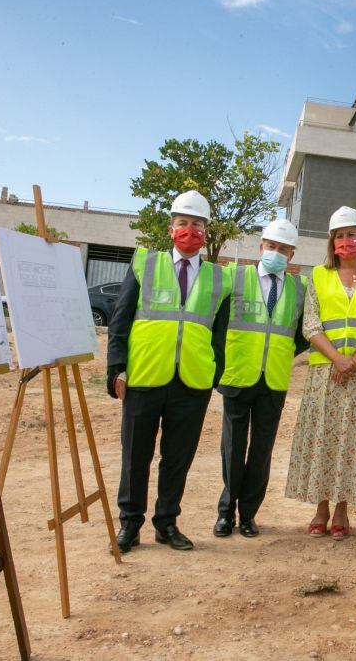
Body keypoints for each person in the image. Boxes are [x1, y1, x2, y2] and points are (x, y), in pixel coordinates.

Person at [106, 190, 231, 552]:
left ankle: (167, 523)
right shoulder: (145, 263)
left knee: (177, 458)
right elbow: (120, 320)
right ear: (171, 227)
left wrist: (212, 374)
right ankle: (130, 524)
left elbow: (219, 336)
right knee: (135, 457)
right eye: (183, 223)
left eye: (197, 224)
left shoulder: (218, 278)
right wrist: (117, 368)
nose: (190, 230)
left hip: (192, 383)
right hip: (144, 377)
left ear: (206, 231)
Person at [285, 206, 356, 539]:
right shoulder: (318, 276)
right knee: (324, 437)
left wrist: (354, 361)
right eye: (340, 235)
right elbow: (311, 323)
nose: (346, 241)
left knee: (354, 440)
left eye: (352, 234)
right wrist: (336, 359)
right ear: (331, 242)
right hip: (325, 372)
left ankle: (343, 509)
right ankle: (320, 507)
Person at [212, 219, 309, 539]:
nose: (276, 253)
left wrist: (279, 354)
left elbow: (302, 335)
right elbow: (218, 325)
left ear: (292, 254)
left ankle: (248, 515)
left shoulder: (299, 288)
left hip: (274, 380)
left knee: (261, 450)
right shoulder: (236, 278)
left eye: (283, 249)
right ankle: (226, 512)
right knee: (233, 446)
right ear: (260, 247)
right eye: (271, 246)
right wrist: (221, 367)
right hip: (238, 375)